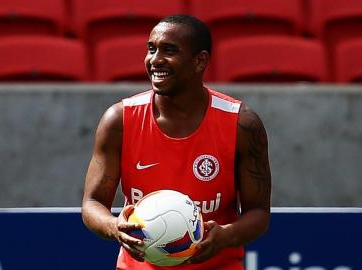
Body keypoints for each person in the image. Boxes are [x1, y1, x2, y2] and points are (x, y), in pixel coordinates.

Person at [82, 14, 271, 270]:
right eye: (151, 49)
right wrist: (114, 226)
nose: (155, 60)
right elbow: (92, 203)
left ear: (199, 61)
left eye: (169, 50)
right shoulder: (120, 120)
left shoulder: (242, 124)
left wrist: (227, 235)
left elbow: (259, 213)